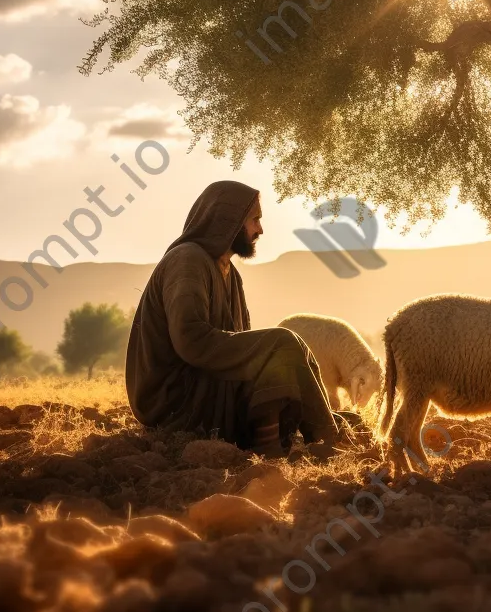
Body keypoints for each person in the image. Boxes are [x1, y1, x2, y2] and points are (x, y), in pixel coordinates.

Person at [126, 180, 349, 457]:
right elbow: (191, 341)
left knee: (292, 350)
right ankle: (324, 442)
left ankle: (280, 439)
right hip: (177, 402)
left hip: (210, 386)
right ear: (227, 221)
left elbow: (240, 344)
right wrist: (268, 349)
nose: (260, 229)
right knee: (281, 342)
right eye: (254, 220)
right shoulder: (187, 260)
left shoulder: (231, 275)